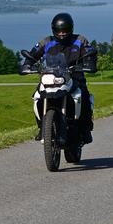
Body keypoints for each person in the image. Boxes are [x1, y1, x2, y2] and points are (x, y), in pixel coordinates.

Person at [23, 12, 97, 143]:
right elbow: (33, 54)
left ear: (71, 28)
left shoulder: (80, 40)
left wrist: (89, 63)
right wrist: (27, 64)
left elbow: (89, 53)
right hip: (51, 76)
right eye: (59, 31)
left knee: (83, 96)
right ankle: (42, 127)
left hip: (75, 77)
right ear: (53, 29)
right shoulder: (46, 41)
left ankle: (85, 128)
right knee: (37, 96)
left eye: (65, 31)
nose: (62, 34)